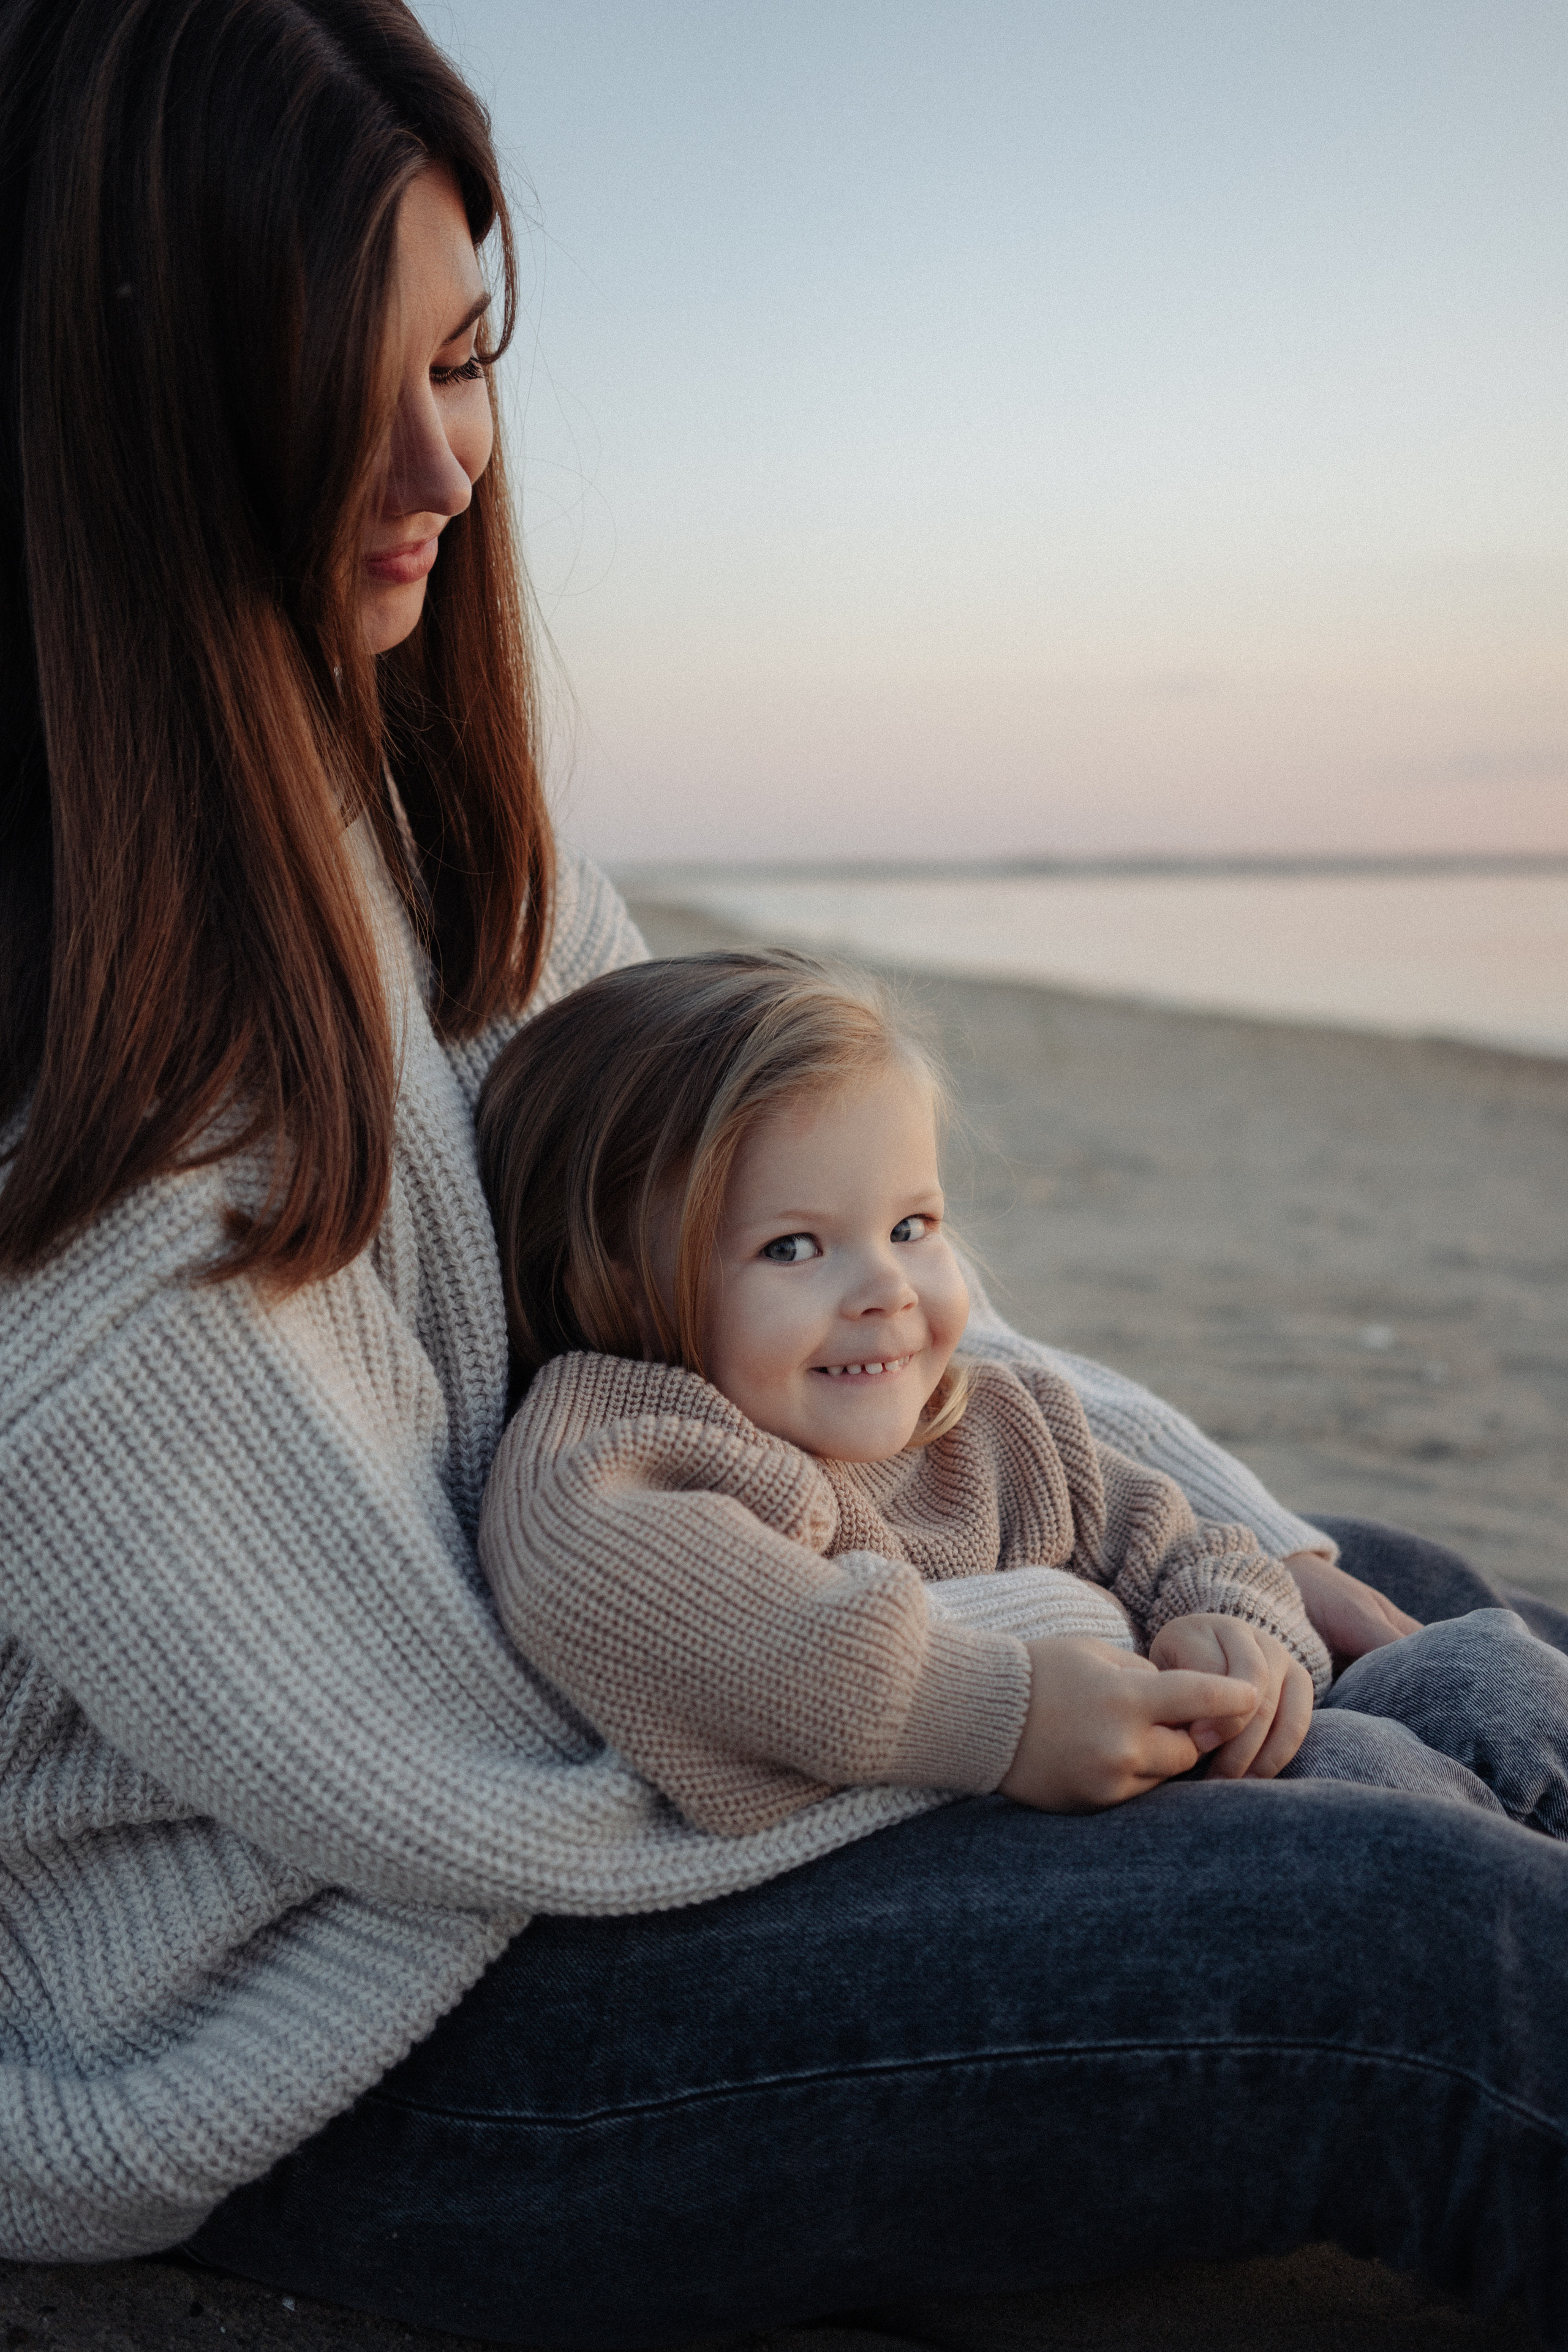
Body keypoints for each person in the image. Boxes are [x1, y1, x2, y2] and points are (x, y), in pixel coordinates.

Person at [2, 1, 1567, 2345]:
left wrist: (1242, 1553)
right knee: (1426, 1968)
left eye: (470, 359)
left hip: (641, 1738)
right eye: (356, 383)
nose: (443, 463)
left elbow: (881, 1317)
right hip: (353, 2034)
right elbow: (469, 1773)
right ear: (133, 414)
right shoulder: (86, 1104)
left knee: (1395, 1579)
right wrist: (1060, 1676)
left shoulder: (419, 823)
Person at [473, 948, 1568, 1834]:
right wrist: (1007, 1713)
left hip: (1183, 1754)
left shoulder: (993, 1424)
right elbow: (692, 1616)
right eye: (796, 1247)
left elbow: (1186, 1537)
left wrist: (1235, 1626)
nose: (888, 1290)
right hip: (955, 1869)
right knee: (1377, 1780)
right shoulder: (624, 1446)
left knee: (1490, 1670)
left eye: (911, 1228)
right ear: (605, 1275)